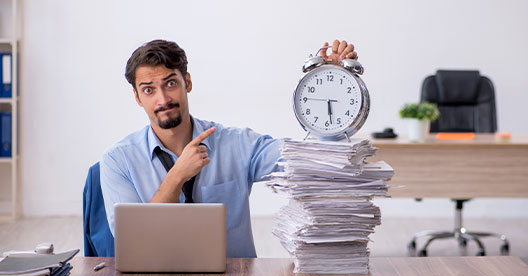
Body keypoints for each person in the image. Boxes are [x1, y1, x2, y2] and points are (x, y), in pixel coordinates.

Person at [100, 39, 358, 258]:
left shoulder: (237, 144)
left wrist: (332, 86)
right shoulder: (117, 160)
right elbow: (133, 240)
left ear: (186, 82)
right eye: (148, 90)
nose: (163, 99)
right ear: (137, 97)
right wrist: (177, 176)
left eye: (170, 84)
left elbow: (308, 162)